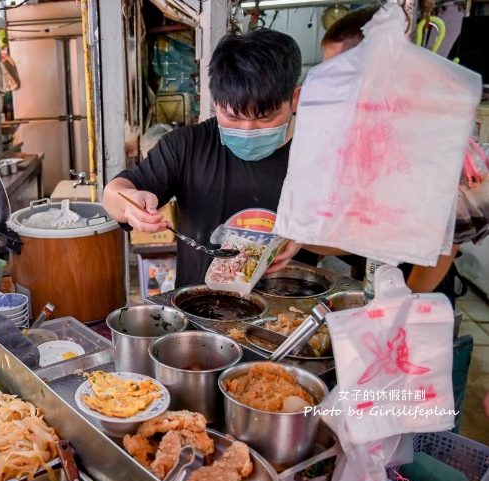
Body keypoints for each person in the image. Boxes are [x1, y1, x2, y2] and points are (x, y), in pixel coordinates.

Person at [103, 29, 303, 288]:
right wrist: (130, 205)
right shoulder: (187, 145)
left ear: (294, 98)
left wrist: (306, 237)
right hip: (200, 306)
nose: (247, 129)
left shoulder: (320, 152)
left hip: (291, 306)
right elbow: (113, 194)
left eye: (265, 118)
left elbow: (350, 239)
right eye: (232, 117)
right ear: (215, 103)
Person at [318, 6, 464, 304]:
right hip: (376, 280)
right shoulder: (362, 128)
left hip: (419, 294)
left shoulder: (428, 134)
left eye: (339, 73)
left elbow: (445, 243)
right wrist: (294, 240)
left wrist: (403, 304)